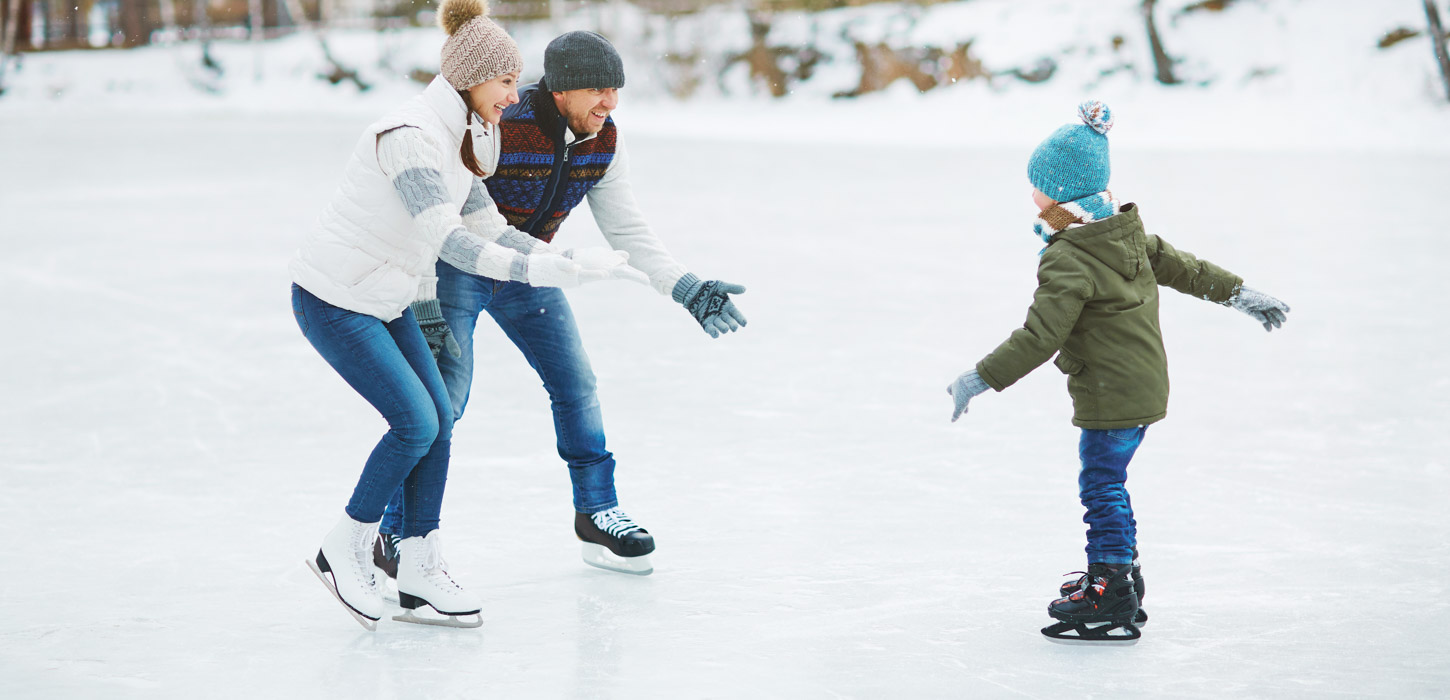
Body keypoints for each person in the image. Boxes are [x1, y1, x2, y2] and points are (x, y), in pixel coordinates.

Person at [290, 0, 644, 630]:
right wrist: (543, 270)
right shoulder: (410, 138)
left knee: (439, 421)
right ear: (471, 77)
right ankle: (343, 546)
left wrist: (565, 261)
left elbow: (491, 227)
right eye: (507, 81)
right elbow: (450, 239)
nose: (515, 95)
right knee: (415, 422)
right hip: (337, 298)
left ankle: (418, 566)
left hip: (393, 296)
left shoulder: (467, 138)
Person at [372, 30, 749, 578]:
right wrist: (423, 297)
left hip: (533, 270)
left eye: (615, 90)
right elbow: (436, 215)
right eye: (597, 90)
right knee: (442, 403)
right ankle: (392, 532)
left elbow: (628, 228)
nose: (609, 103)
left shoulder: (603, 139)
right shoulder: (499, 122)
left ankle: (597, 512)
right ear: (560, 92)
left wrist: (683, 285)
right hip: (458, 269)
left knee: (576, 385)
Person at [944, 101, 1291, 643]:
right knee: (1111, 484)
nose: (1032, 194)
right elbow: (1188, 269)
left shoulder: (1069, 256)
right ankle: (1121, 571)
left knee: (1102, 485)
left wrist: (980, 378)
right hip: (1140, 381)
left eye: (1037, 186)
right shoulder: (1119, 232)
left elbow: (1041, 335)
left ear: (1059, 192)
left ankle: (1111, 587)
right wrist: (1240, 295)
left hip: (1109, 391)